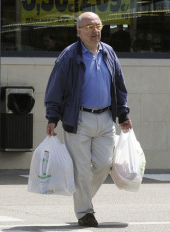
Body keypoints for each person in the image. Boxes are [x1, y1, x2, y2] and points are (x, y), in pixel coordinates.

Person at [44, 12, 132, 227]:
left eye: (98, 26)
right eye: (89, 27)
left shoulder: (108, 52)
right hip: (79, 119)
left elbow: (119, 86)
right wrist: (52, 117)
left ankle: (81, 197)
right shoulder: (69, 56)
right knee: (81, 169)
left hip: (105, 118)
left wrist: (124, 114)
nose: (95, 30)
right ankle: (85, 212)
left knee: (104, 165)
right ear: (79, 31)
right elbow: (56, 87)